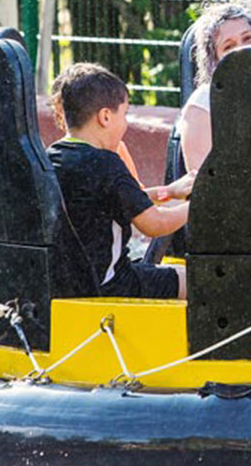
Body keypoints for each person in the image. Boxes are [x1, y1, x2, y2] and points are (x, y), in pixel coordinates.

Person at [47, 63, 193, 299]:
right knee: (197, 280)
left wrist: (168, 192)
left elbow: (111, 201)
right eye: (124, 114)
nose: (125, 124)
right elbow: (154, 225)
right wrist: (200, 205)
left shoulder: (51, 157)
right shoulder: (107, 163)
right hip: (110, 285)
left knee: (167, 271)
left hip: (67, 286)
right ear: (105, 116)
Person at [175, 0, 251, 173]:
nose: (241, 50)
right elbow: (200, 182)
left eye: (248, 38)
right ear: (214, 61)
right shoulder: (203, 105)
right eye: (229, 46)